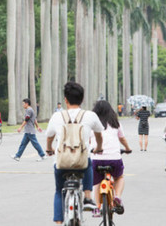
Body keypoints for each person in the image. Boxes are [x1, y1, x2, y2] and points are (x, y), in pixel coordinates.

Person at [46, 82, 104, 224]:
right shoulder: (90, 115)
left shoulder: (56, 117)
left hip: (61, 162)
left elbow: (49, 137)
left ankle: (59, 223)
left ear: (65, 99)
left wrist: (49, 148)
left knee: (59, 191)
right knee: (89, 163)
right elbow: (99, 135)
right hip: (81, 162)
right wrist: (98, 147)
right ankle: (88, 197)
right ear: (82, 99)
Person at [91, 100, 131, 217]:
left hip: (96, 160)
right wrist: (128, 149)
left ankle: (97, 207)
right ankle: (117, 197)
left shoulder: (93, 124)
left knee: (97, 182)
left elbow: (88, 140)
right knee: (119, 177)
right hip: (114, 159)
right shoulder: (115, 123)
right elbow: (122, 139)